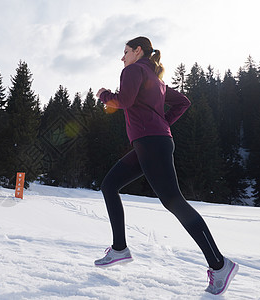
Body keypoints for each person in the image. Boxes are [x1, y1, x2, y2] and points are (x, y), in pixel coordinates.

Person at [94, 36, 238, 295]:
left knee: (173, 201)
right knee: (109, 185)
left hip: (151, 143)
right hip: (149, 143)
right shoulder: (155, 80)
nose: (122, 56)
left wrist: (104, 94)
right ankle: (119, 249)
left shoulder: (133, 70)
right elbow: (183, 102)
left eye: (125, 51)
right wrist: (162, 122)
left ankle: (220, 265)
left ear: (138, 51)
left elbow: (123, 101)